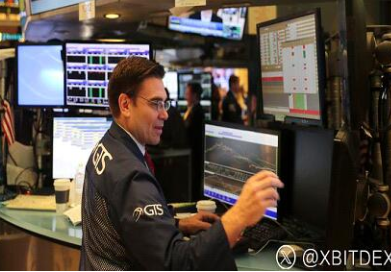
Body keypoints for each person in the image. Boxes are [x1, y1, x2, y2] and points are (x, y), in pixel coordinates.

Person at [80, 57, 283, 270]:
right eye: (155, 103)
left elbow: (126, 222)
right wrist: (239, 215)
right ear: (125, 105)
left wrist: (176, 224)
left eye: (164, 103)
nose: (165, 114)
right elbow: (177, 263)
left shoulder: (108, 146)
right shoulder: (131, 176)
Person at [183, 82, 206, 200]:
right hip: (191, 154)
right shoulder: (191, 109)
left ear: (195, 95)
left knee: (195, 181)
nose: (185, 96)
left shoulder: (198, 111)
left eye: (187, 93)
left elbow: (192, 134)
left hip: (195, 154)